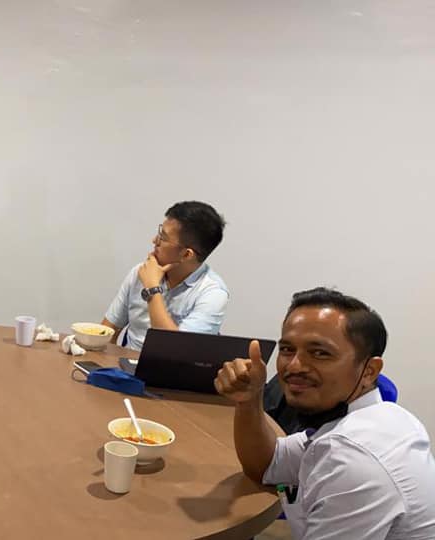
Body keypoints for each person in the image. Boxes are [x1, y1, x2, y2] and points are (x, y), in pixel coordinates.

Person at [214, 287, 435, 539]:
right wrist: (249, 400)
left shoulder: (353, 461)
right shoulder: (382, 416)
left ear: (370, 371)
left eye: (320, 353)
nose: (294, 365)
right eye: (287, 349)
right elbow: (267, 464)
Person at [101, 201, 228, 350]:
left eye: (163, 237)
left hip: (172, 365)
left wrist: (153, 289)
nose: (155, 241)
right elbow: (107, 331)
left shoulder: (213, 294)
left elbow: (174, 351)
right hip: (126, 361)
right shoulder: (141, 272)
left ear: (186, 254)